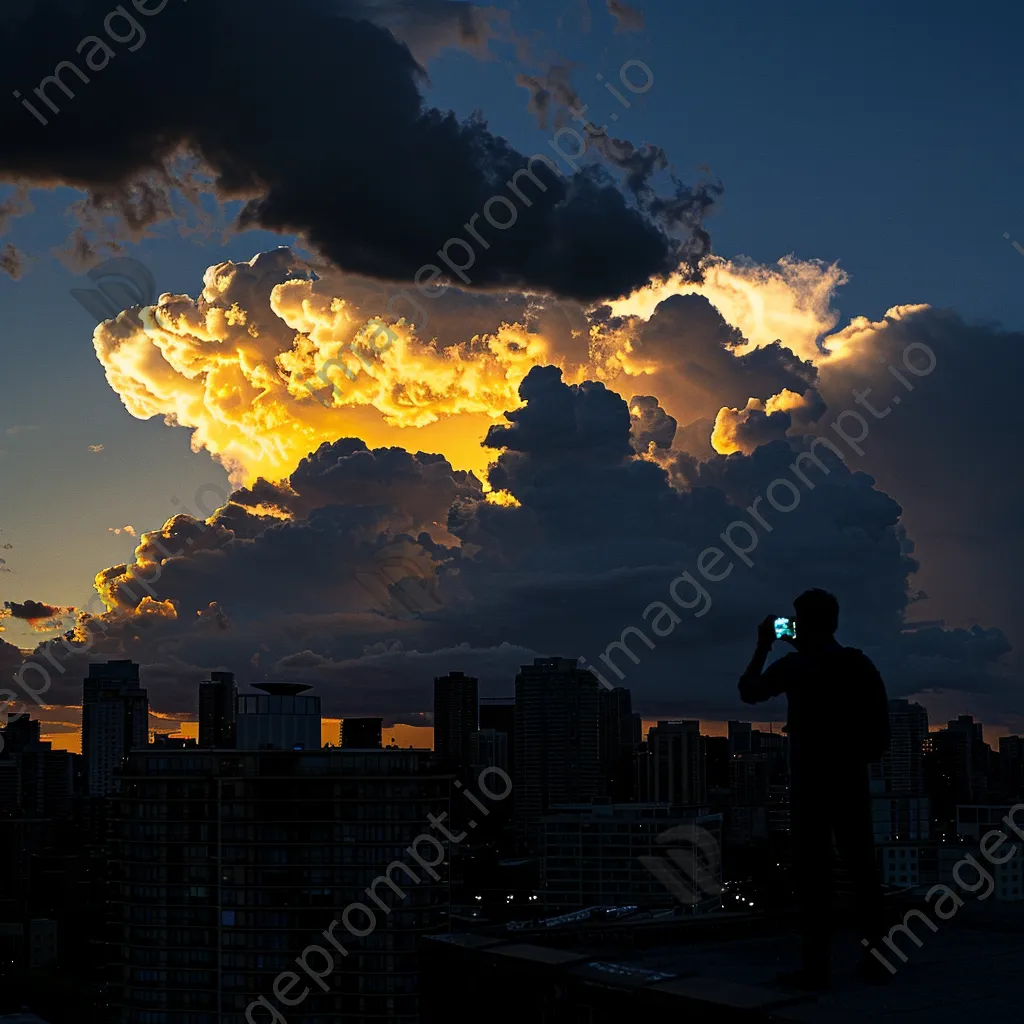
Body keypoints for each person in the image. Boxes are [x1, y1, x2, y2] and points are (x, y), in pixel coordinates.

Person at [738, 588, 891, 988]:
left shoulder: (796, 667)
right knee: (862, 870)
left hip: (811, 785)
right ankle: (879, 958)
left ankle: (816, 967)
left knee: (815, 875)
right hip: (850, 782)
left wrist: (762, 645)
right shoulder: (859, 665)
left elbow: (748, 690)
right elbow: (881, 734)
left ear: (804, 625)